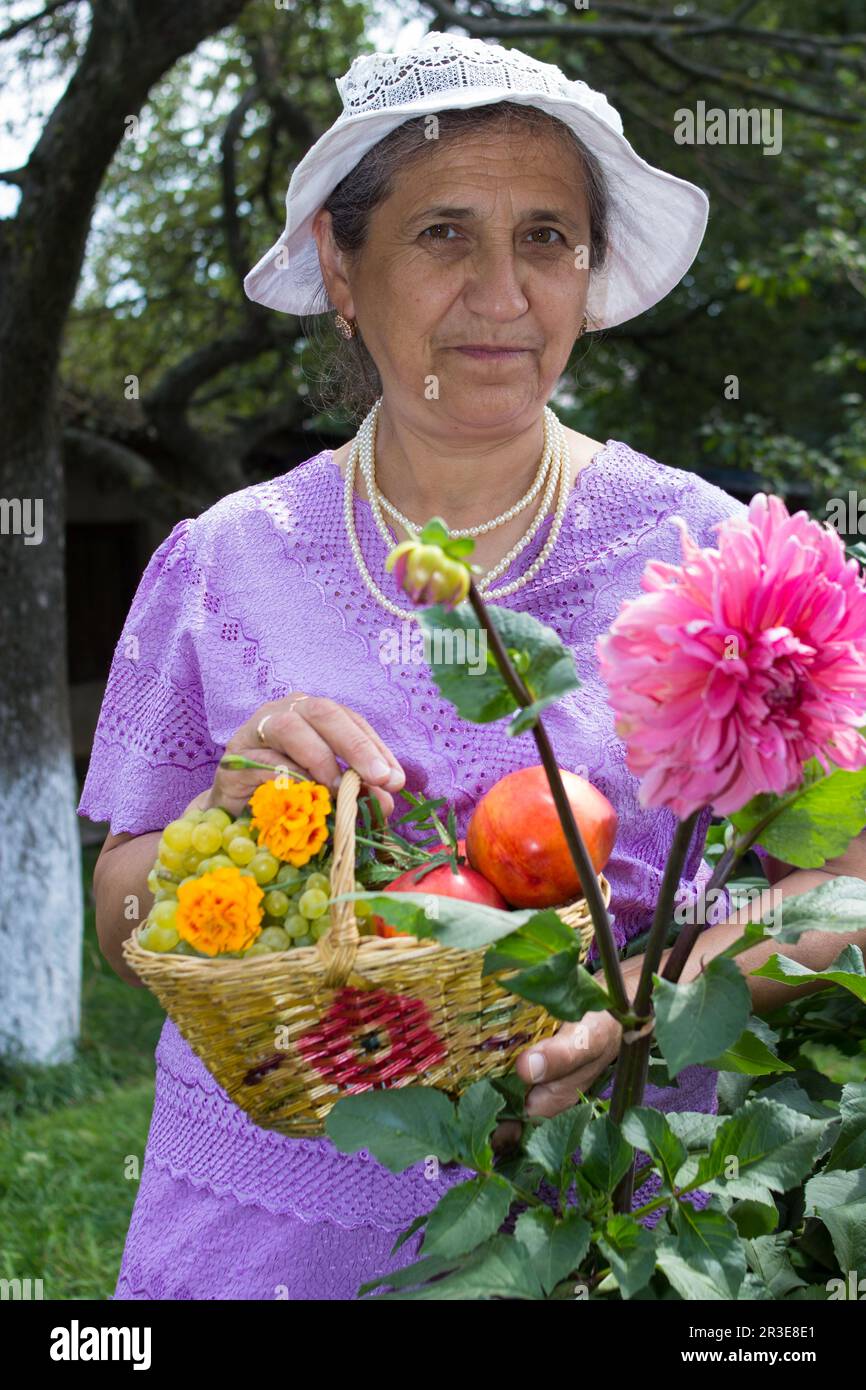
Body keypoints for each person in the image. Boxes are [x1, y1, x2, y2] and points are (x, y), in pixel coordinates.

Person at [79, 32, 862, 1301]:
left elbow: (842, 871)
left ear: (587, 269)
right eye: (444, 232)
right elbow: (123, 919)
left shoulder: (714, 552)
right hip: (261, 1232)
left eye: (546, 237)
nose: (504, 293)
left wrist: (657, 1000)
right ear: (341, 264)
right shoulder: (225, 562)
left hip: (607, 1217)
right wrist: (223, 822)